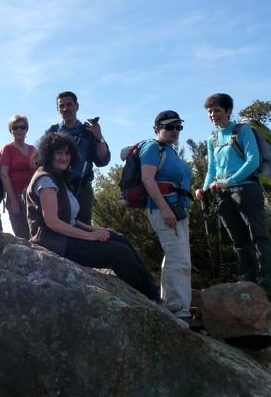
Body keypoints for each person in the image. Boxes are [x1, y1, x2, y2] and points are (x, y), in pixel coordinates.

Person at [26, 132, 159, 301]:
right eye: (59, 153)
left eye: (67, 153)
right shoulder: (45, 180)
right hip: (54, 243)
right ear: (48, 154)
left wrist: (96, 229)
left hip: (65, 237)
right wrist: (90, 236)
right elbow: (53, 222)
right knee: (119, 253)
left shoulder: (58, 177)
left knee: (120, 238)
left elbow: (71, 219)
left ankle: (153, 294)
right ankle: (148, 299)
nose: (64, 157)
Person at [195, 93, 271, 297]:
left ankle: (266, 283)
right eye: (210, 111)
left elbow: (253, 161)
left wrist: (229, 181)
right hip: (222, 193)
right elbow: (212, 168)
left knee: (258, 236)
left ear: (228, 111)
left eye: (217, 110)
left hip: (246, 189)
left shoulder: (242, 131)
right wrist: (204, 187)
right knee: (238, 240)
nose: (212, 115)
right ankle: (247, 281)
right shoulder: (212, 138)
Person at [141, 111, 193, 322]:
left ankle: (173, 304)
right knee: (178, 258)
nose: (175, 131)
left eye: (178, 127)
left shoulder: (170, 150)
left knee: (176, 256)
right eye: (169, 127)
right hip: (163, 209)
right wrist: (164, 208)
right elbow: (147, 179)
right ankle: (179, 311)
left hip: (177, 210)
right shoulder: (153, 148)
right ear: (157, 128)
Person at [53, 91, 110, 225]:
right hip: (59, 187)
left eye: (69, 104)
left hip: (82, 188)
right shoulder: (52, 132)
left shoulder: (89, 131)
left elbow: (102, 160)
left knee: (84, 227)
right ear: (57, 109)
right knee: (60, 225)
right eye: (61, 106)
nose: (65, 109)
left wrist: (99, 137)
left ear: (76, 106)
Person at [0, 114, 36, 239]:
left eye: (22, 127)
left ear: (27, 129)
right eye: (15, 128)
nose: (19, 130)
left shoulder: (33, 149)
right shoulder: (7, 149)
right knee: (22, 237)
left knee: (36, 234)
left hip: (33, 197)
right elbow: (4, 175)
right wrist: (13, 201)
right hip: (16, 196)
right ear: (11, 130)